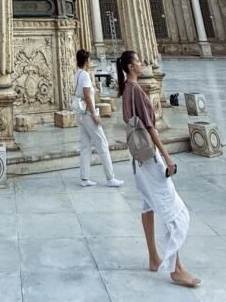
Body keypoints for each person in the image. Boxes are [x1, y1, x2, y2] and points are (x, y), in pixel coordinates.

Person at [117, 49, 199, 289]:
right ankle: (177, 269)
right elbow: (151, 129)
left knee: (148, 205)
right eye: (139, 61)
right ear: (131, 67)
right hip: (150, 158)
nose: (142, 64)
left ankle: (154, 257)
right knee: (171, 210)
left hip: (137, 160)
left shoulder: (124, 91)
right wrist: (167, 156)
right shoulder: (138, 91)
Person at [74, 49, 124, 189]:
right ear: (86, 61)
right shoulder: (84, 75)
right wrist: (95, 115)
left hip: (80, 114)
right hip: (88, 115)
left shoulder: (76, 74)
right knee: (102, 144)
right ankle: (110, 177)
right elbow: (87, 95)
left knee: (85, 146)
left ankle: (84, 178)